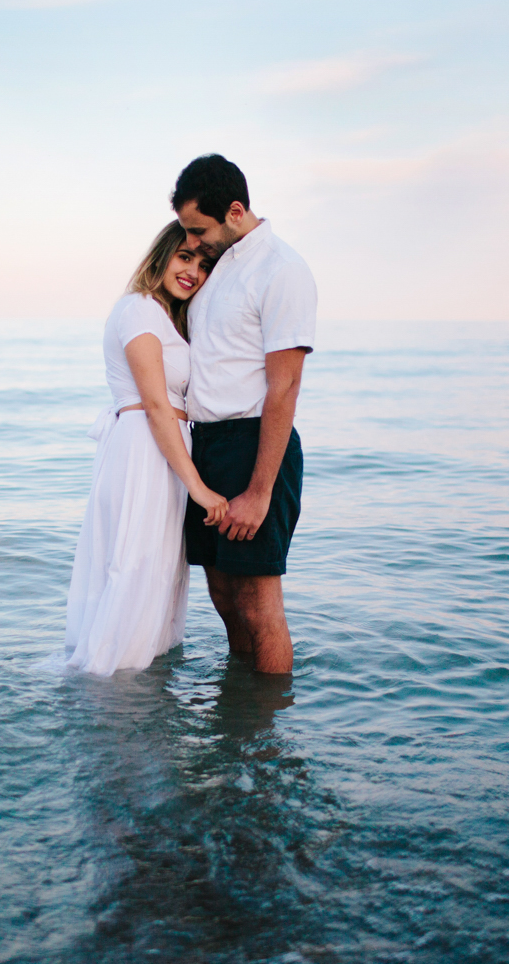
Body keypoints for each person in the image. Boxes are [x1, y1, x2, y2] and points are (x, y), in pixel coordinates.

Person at [63, 221, 231, 676]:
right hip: (145, 450)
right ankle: (112, 691)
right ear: (160, 256)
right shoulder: (139, 309)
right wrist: (198, 488)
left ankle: (132, 697)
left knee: (151, 573)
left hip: (160, 452)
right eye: (184, 258)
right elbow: (157, 405)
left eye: (203, 264)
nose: (193, 272)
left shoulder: (164, 317)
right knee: (134, 569)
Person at [171, 155, 317, 674]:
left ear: (235, 211)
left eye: (198, 229)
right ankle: (240, 726)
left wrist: (259, 492)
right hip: (207, 445)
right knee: (224, 598)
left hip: (256, 444)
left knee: (258, 605)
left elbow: (286, 387)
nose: (192, 241)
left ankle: (269, 739)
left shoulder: (282, 269)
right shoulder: (215, 271)